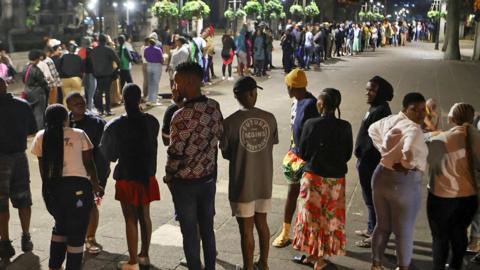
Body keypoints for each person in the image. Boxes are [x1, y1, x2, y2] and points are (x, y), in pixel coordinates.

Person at [164, 62, 223, 270]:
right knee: (207, 230)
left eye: (177, 81)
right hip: (207, 179)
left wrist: (168, 175)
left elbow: (175, 153)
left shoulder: (180, 116)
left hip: (185, 184)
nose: (174, 85)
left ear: (189, 81)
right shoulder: (214, 106)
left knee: (189, 233)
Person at [31, 104, 102, 270]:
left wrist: (50, 189)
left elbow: (43, 168)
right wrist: (96, 184)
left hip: (53, 189)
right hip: (78, 187)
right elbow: (89, 163)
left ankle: (54, 266)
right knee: (77, 232)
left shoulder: (41, 136)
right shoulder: (79, 134)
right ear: (66, 118)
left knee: (60, 226)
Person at [220, 76, 278, 270]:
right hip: (264, 181)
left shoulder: (229, 123)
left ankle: (247, 267)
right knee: (262, 223)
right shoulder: (270, 118)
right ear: (252, 93)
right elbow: (271, 144)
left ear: (235, 95)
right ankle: (264, 263)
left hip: (242, 183)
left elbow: (226, 153)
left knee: (246, 229)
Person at [100, 84, 160, 270]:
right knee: (145, 216)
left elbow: (109, 155)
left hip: (126, 176)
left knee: (130, 219)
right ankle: (144, 255)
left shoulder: (114, 126)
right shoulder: (152, 122)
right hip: (147, 175)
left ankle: (132, 261)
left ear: (123, 100)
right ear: (140, 98)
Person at [292, 88, 353, 270]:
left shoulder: (311, 124)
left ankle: (316, 258)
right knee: (329, 219)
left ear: (322, 104)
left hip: (314, 178)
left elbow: (303, 152)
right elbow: (347, 154)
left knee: (311, 218)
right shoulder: (345, 126)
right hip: (335, 180)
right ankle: (317, 256)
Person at [368, 92, 428, 270]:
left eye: (422, 109)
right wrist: (407, 164)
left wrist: (384, 151)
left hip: (380, 176)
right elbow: (409, 151)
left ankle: (376, 264)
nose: (420, 114)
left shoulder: (390, 120)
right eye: (415, 110)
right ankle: (403, 267)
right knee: (404, 231)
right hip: (403, 183)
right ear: (405, 109)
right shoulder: (414, 129)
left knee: (382, 225)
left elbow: (372, 129)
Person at [426, 103, 480, 270]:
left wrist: (430, 127)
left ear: (450, 119)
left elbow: (429, 163)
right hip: (469, 198)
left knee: (440, 239)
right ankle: (456, 266)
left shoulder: (441, 139)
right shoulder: (476, 137)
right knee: (459, 234)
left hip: (442, 199)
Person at [272, 69, 319, 248]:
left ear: (292, 87)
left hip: (306, 160)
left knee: (305, 198)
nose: (287, 88)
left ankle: (305, 235)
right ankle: (286, 231)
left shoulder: (310, 104)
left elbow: (312, 135)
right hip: (295, 156)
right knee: (293, 193)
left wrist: (306, 159)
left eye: (287, 86)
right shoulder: (296, 101)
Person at [66, 92, 109, 254]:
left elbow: (104, 152)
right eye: (76, 104)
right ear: (68, 106)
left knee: (90, 205)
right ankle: (75, 237)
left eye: (83, 103)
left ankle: (90, 238)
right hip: (69, 173)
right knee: (71, 206)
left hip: (91, 173)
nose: (81, 106)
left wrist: (99, 179)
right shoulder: (64, 122)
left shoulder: (96, 123)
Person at [354, 76, 394, 248]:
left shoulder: (381, 111)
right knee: (368, 198)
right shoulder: (375, 108)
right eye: (367, 89)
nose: (367, 93)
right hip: (365, 161)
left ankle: (376, 235)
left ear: (380, 93)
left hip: (371, 162)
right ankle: (371, 229)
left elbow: (375, 140)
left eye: (371, 90)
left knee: (373, 199)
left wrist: (363, 153)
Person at [0, 77, 36, 260]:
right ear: (6, 86)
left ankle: (5, 242)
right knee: (23, 198)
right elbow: (32, 129)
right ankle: (26, 236)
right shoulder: (23, 105)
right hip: (20, 156)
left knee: (1, 202)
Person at [91, 34, 120, 116]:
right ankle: (108, 109)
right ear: (106, 41)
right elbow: (118, 61)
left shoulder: (94, 50)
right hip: (108, 74)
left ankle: (100, 110)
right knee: (107, 92)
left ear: (98, 41)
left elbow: (91, 62)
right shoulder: (109, 50)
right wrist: (115, 71)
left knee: (99, 92)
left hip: (97, 74)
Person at [23, 49, 49, 129]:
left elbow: (23, 80)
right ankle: (40, 131)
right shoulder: (36, 69)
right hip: (38, 94)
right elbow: (43, 82)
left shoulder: (25, 68)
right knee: (40, 114)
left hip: (27, 92)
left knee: (32, 113)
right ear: (37, 58)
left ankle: (33, 129)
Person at [77, 37, 97, 111]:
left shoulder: (80, 51)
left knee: (86, 91)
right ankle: (90, 108)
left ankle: (88, 108)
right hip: (91, 73)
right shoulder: (92, 50)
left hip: (84, 74)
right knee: (91, 92)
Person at [143, 38, 164, 107]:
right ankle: (154, 100)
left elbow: (145, 57)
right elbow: (161, 58)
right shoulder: (158, 49)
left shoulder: (146, 49)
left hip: (149, 65)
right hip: (157, 65)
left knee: (150, 83)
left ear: (149, 43)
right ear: (155, 43)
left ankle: (149, 99)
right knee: (155, 83)